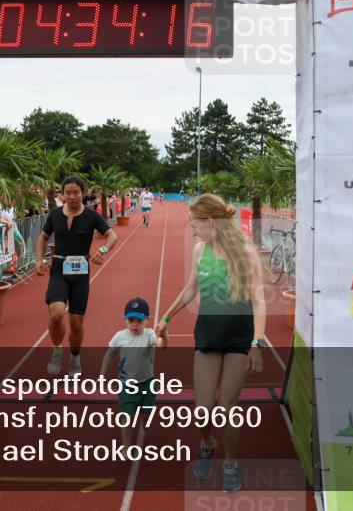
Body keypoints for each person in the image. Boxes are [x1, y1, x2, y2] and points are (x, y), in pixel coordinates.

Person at [156, 194, 266, 493]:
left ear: (210, 222)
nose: (193, 231)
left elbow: (258, 301)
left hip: (240, 337)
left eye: (195, 225)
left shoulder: (246, 251)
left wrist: (256, 344)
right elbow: (190, 289)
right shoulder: (199, 250)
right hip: (208, 333)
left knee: (227, 407)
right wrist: (166, 317)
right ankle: (207, 443)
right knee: (202, 409)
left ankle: (230, 462)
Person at [35, 176, 118, 376]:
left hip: (80, 272)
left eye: (76, 192)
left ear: (83, 193)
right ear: (62, 194)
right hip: (59, 269)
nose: (72, 197)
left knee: (76, 323)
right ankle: (57, 350)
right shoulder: (55, 215)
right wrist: (39, 260)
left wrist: (103, 250)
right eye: (68, 193)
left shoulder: (91, 216)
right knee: (56, 314)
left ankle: (74, 356)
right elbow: (43, 237)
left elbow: (112, 235)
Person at [101, 297, 166, 446]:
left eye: (139, 321)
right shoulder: (120, 336)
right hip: (127, 384)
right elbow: (109, 355)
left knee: (147, 415)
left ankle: (145, 417)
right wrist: (102, 375)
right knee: (127, 417)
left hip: (147, 382)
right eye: (131, 320)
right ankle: (126, 446)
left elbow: (162, 345)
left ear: (147, 320)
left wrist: (164, 335)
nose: (135, 324)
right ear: (126, 319)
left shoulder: (149, 335)